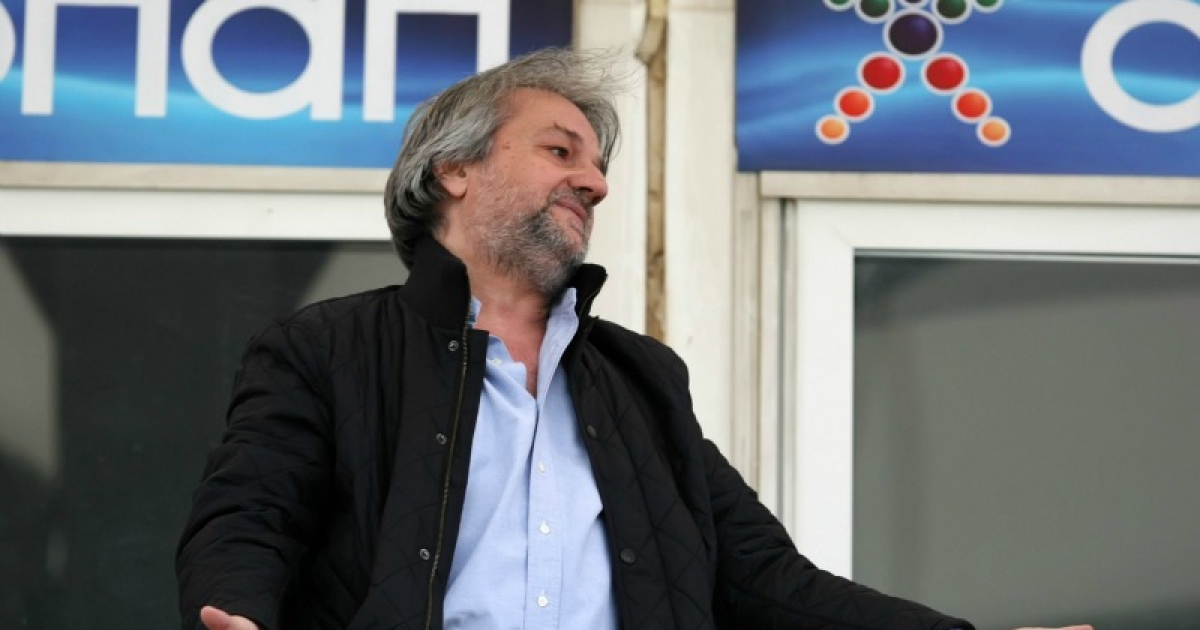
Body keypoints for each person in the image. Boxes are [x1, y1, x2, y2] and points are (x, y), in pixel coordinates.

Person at [176, 48, 1092, 630]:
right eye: (561, 151)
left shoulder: (642, 379)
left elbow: (767, 579)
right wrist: (236, 614)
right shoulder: (324, 348)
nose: (596, 183)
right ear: (454, 168)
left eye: (599, 164)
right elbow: (249, 521)